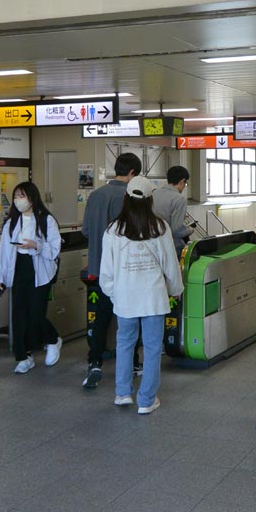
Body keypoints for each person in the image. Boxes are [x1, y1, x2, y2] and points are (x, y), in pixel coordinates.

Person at [99, 176, 184, 414]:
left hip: (125, 298)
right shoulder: (159, 227)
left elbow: (107, 271)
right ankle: (146, 400)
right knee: (153, 346)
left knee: (125, 343)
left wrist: (114, 293)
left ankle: (122, 393)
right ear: (149, 201)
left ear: (126, 198)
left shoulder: (113, 229)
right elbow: (170, 265)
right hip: (153, 298)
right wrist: (176, 290)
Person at [80, 152, 143, 388]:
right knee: (128, 319)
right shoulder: (130, 197)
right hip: (125, 271)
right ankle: (134, 363)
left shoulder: (95, 195)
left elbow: (86, 230)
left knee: (100, 318)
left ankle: (95, 361)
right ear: (132, 174)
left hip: (97, 269)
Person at [0, 181, 62, 374]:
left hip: (39, 270)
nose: (18, 200)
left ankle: (52, 339)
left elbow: (55, 249)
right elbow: (4, 252)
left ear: (32, 198)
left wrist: (36, 245)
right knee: (19, 314)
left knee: (36, 314)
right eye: (16, 196)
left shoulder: (46, 220)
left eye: (21, 196)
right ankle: (23, 356)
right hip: (18, 269)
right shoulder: (11, 222)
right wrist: (1, 279)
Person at [152, 165, 195, 252]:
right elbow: (177, 230)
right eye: (185, 183)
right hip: (172, 246)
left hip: (154, 243)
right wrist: (190, 230)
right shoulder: (179, 199)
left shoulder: (154, 194)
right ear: (182, 181)